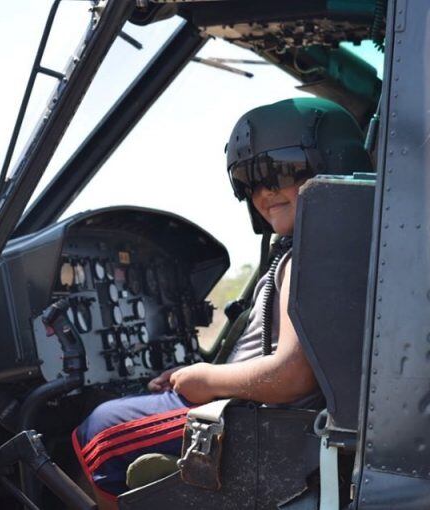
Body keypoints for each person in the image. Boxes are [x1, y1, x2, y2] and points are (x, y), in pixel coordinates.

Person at [72, 97, 372, 507]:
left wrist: (206, 381)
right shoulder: (325, 250)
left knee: (98, 435)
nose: (263, 192)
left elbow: (292, 376)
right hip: (263, 409)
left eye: (278, 171)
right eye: (249, 182)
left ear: (331, 164)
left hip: (270, 422)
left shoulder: (315, 257)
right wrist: (201, 372)